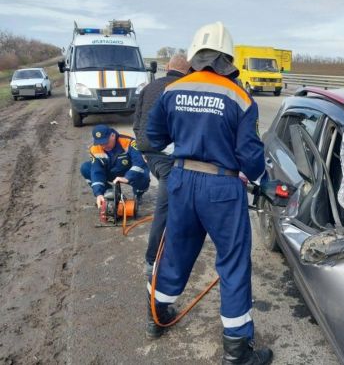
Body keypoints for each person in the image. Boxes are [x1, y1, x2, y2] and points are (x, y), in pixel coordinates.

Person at [146, 22, 272, 365]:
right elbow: (251, 159)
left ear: (196, 57)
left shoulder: (174, 90)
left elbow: (153, 137)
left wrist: (185, 140)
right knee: (232, 263)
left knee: (176, 251)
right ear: (227, 58)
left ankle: (157, 315)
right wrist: (258, 173)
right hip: (222, 188)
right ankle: (236, 352)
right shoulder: (240, 97)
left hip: (182, 181)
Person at [133, 54, 190, 276]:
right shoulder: (183, 88)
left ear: (168, 67)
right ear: (188, 71)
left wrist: (144, 148)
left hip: (149, 153)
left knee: (177, 199)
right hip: (167, 156)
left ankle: (178, 235)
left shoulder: (149, 87)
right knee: (164, 207)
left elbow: (136, 120)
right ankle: (152, 260)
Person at [80, 124, 150, 209]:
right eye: (101, 143)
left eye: (106, 142)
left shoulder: (128, 142)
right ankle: (109, 193)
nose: (104, 146)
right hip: (111, 172)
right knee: (86, 168)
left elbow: (139, 162)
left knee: (143, 172)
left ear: (112, 135)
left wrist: (127, 177)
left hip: (128, 172)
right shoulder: (95, 149)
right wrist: (99, 193)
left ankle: (138, 194)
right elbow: (97, 171)